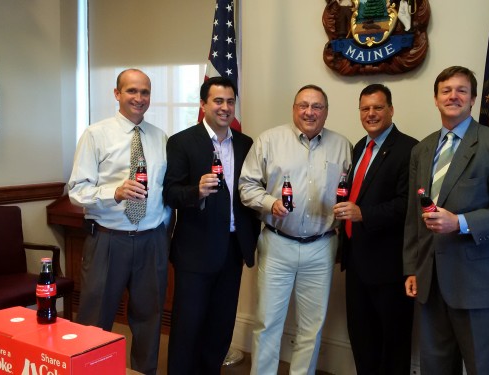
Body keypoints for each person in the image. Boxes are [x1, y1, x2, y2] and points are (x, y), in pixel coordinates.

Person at [403, 66, 489, 374]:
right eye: (446, 90)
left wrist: (460, 222)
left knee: (483, 368)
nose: (453, 96)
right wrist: (411, 268)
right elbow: (413, 218)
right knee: (435, 368)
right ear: (435, 99)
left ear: (473, 99)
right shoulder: (421, 150)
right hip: (430, 282)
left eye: (462, 90)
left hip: (476, 286)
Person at [239, 84, 352, 375]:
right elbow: (246, 186)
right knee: (267, 323)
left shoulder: (342, 146)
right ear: (294, 108)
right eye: (303, 105)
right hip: (278, 243)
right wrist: (269, 202)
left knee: (311, 327)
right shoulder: (269, 140)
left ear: (326, 112)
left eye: (317, 107)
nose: (309, 112)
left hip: (322, 245)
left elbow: (352, 193)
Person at [68, 68, 171, 375]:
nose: (139, 98)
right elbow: (76, 191)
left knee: (149, 321)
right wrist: (113, 192)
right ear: (117, 94)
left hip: (151, 241)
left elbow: (165, 191)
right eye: (131, 91)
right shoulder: (95, 135)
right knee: (94, 321)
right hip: (108, 240)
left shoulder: (160, 138)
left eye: (145, 93)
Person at [163, 76, 260, 374]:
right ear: (203, 104)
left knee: (221, 326)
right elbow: (169, 192)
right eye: (218, 101)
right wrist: (196, 192)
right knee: (188, 327)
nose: (225, 107)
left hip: (232, 249)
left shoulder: (245, 143)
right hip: (195, 249)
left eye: (230, 101)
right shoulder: (182, 141)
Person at [334, 84, 418, 374]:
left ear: (391, 110)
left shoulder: (409, 149)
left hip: (390, 268)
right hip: (357, 262)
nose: (371, 114)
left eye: (378, 107)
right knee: (362, 340)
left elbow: (409, 204)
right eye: (365, 108)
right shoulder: (360, 147)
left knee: (392, 345)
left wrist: (362, 213)